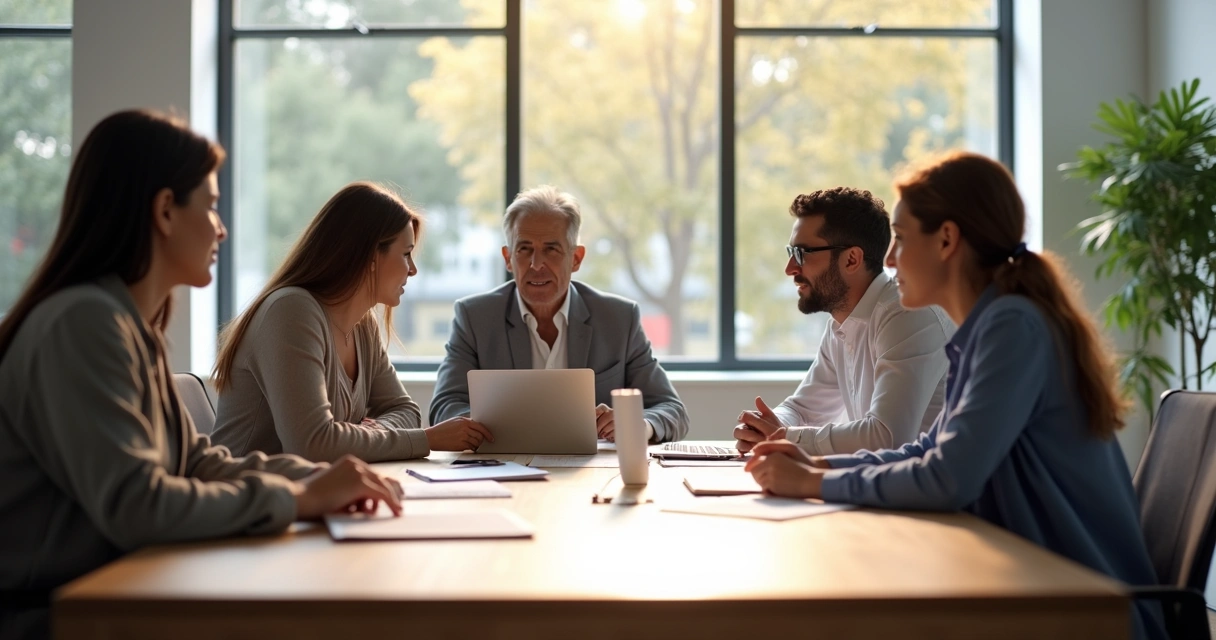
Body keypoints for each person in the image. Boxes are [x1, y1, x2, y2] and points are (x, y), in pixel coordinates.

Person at [0, 110, 401, 640]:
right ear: (165, 210)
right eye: (211, 206)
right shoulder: (83, 323)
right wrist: (300, 499)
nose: (221, 227)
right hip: (60, 614)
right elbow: (138, 504)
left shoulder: (126, 325)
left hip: (121, 590)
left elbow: (195, 461)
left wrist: (319, 478)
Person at [745, 151, 1165, 640]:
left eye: (900, 241)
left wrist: (813, 484)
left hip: (1084, 607)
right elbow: (931, 450)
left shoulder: (1013, 327)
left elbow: (949, 477)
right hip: (1034, 583)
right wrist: (817, 467)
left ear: (946, 240)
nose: (891, 260)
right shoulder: (988, 328)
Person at [211, 182, 492, 461]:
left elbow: (406, 410)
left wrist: (361, 436)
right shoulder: (291, 311)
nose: (413, 269)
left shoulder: (363, 326)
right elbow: (312, 445)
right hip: (248, 499)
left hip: (309, 495)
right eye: (406, 254)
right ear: (370, 255)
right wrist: (427, 439)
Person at [431, 185, 688, 443]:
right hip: (504, 469)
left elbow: (671, 409)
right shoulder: (475, 317)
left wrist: (636, 425)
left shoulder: (619, 319)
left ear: (576, 258)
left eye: (551, 249)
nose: (536, 264)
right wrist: (488, 429)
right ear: (508, 258)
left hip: (594, 475)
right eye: (525, 249)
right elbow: (444, 407)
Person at [733, 187, 953, 455]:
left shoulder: (907, 313)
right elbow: (801, 409)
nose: (790, 268)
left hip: (929, 492)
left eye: (802, 253)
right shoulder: (842, 323)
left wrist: (785, 438)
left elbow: (887, 437)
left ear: (851, 259)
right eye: (791, 252)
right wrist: (767, 427)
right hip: (883, 488)